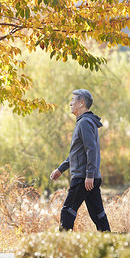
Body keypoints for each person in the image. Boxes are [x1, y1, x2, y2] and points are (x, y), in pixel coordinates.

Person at [50, 89, 111, 232]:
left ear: (81, 103)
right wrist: (60, 169)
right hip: (89, 177)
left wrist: (89, 175)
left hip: (84, 178)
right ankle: (110, 244)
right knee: (98, 214)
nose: (70, 103)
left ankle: (62, 249)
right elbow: (76, 153)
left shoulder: (84, 122)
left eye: (73, 100)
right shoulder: (86, 122)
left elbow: (92, 150)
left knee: (67, 211)